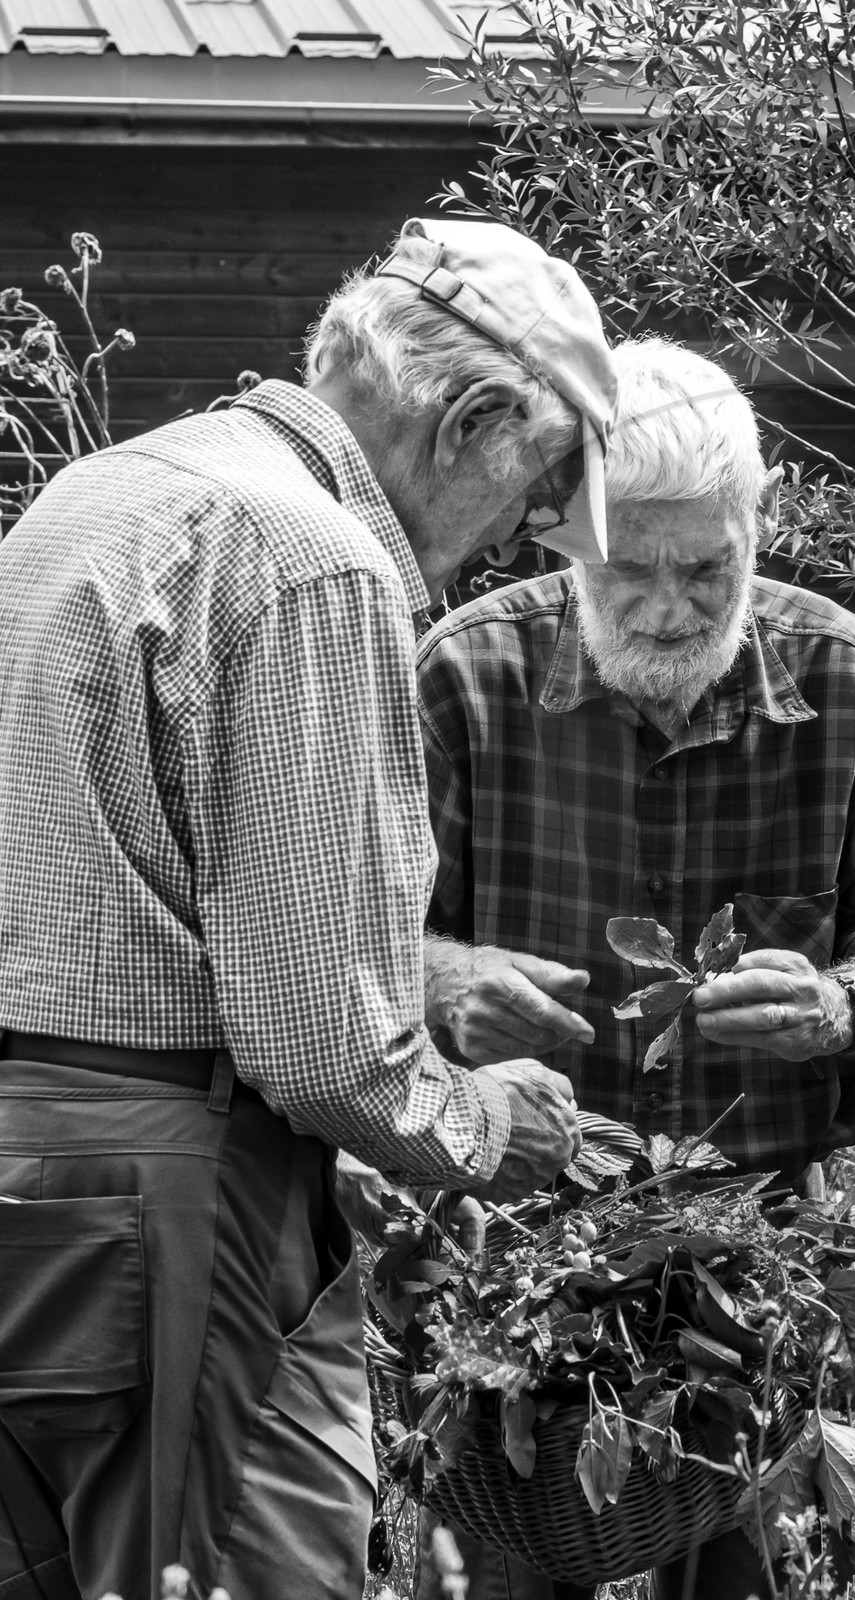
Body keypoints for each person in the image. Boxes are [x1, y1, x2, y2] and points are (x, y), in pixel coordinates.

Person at [0, 217, 614, 1600]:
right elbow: (322, 1046)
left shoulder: (100, 493)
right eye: (539, 491)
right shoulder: (314, 558)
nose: (518, 538)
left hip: (28, 1163)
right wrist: (487, 1123)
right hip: (179, 1186)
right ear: (471, 421)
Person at [411, 337, 855, 1600]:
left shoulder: (840, 675)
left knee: (744, 1575)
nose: (665, 608)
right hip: (515, 1236)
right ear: (567, 539)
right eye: (628, 569)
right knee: (507, 1578)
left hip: (753, 1242)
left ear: (755, 527)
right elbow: (365, 935)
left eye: (706, 568)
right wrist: (447, 981)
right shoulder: (466, 675)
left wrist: (841, 1004)